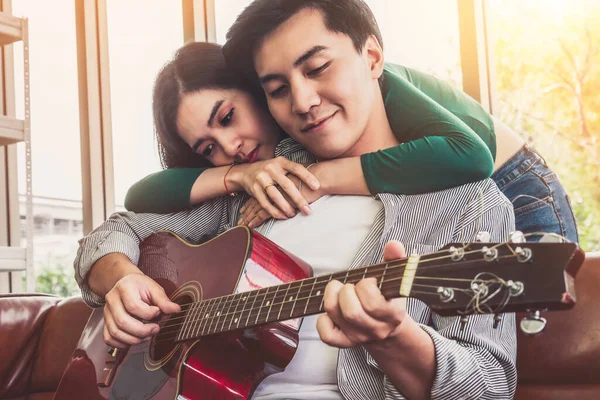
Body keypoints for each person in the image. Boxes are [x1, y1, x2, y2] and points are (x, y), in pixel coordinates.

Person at [75, 1, 518, 399]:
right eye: (278, 89)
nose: (303, 101)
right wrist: (121, 281)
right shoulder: (262, 188)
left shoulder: (469, 206)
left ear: (372, 57)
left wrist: (398, 340)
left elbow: (492, 384)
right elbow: (117, 229)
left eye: (318, 67)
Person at [123, 10, 578, 244]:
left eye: (228, 118)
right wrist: (234, 176)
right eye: (207, 148)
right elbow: (139, 197)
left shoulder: (376, 87)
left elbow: (469, 156)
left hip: (512, 182)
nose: (229, 145)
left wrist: (317, 179)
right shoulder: (284, 146)